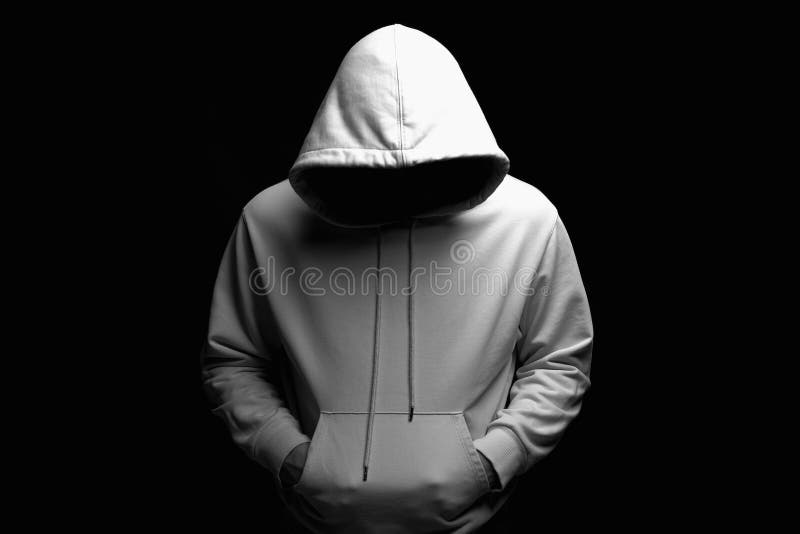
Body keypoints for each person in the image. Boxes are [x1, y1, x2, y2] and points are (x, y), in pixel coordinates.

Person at [201, 24, 593, 533]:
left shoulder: (528, 218)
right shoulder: (269, 220)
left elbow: (560, 359)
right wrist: (289, 454)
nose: (401, 183)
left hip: (479, 520)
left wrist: (497, 457)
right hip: (313, 520)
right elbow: (233, 357)